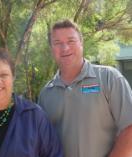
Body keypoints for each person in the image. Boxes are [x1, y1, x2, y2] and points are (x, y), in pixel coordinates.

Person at [38, 19, 132, 157]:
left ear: (81, 43)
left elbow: (129, 127)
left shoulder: (109, 78)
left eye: (71, 41)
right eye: (57, 43)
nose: (65, 48)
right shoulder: (46, 94)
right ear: (52, 48)